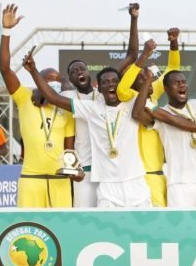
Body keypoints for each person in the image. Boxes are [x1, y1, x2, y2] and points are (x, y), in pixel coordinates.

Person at [24, 47, 153, 208]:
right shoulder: (90, 107)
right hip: (92, 172)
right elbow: (52, 96)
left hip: (130, 179)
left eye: (114, 82)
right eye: (105, 82)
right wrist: (34, 72)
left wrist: (135, 21)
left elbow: (131, 56)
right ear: (99, 87)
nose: (110, 84)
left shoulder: (129, 102)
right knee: (94, 224)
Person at [61, 3, 140, 207]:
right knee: (86, 222)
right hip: (85, 169)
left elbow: (131, 55)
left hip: (109, 169)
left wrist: (133, 19)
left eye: (82, 69)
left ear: (89, 72)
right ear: (70, 78)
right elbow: (48, 96)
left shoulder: (104, 91)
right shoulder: (69, 95)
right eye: (73, 71)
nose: (79, 72)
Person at [0, 4, 77, 208]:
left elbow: (70, 151)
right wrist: (6, 31)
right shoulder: (24, 97)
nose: (54, 83)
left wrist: (74, 171)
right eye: (49, 79)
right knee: (29, 230)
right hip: (31, 179)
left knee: (62, 233)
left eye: (57, 80)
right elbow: (5, 69)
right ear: (39, 82)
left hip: (60, 180)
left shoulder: (65, 109)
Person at [116, 27, 182, 207]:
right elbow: (121, 88)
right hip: (131, 178)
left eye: (149, 76)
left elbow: (172, 71)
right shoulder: (127, 98)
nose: (149, 79)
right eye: (142, 77)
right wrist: (143, 56)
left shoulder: (153, 96)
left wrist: (174, 43)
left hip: (154, 176)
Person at [144, 69, 196, 207]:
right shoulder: (161, 113)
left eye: (183, 82)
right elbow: (143, 109)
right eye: (176, 83)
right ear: (166, 88)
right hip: (177, 184)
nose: (182, 85)